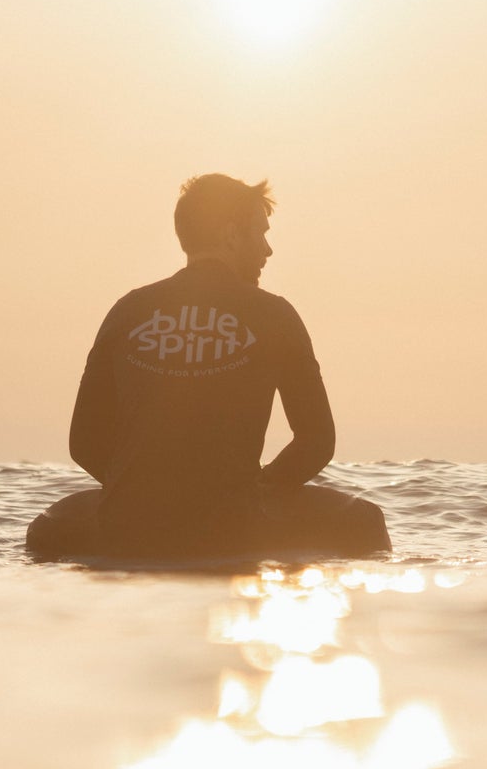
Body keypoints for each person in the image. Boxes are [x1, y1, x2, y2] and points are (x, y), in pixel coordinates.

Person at [27, 173, 389, 562]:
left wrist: (142, 492)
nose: (268, 250)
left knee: (46, 525)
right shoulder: (275, 315)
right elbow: (317, 442)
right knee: (366, 520)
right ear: (232, 235)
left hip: (131, 523)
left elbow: (83, 442)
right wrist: (255, 488)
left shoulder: (127, 310)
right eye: (260, 232)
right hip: (233, 523)